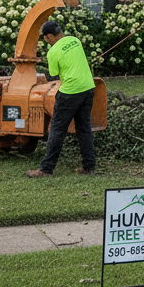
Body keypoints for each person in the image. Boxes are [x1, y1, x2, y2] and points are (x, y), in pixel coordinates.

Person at [26, 21, 97, 177]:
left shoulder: (53, 52)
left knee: (57, 129)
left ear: (49, 36)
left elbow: (55, 75)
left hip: (70, 92)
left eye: (45, 38)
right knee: (84, 128)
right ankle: (89, 167)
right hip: (88, 88)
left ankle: (46, 169)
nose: (46, 40)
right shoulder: (75, 40)